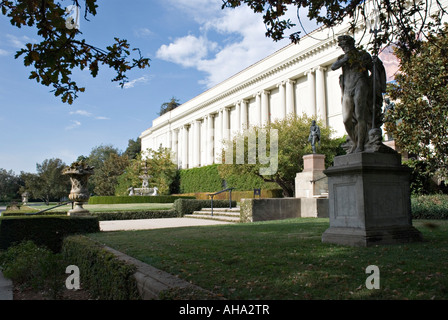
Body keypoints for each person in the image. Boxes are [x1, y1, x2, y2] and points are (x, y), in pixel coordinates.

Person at [331, 35, 385, 153]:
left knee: (360, 115)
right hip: (347, 89)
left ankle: (360, 145)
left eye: (345, 45)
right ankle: (355, 141)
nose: (343, 48)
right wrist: (345, 59)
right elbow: (333, 67)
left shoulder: (363, 55)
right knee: (346, 119)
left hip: (360, 84)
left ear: (351, 44)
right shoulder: (343, 57)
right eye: (342, 46)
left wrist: (376, 65)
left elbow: (373, 69)